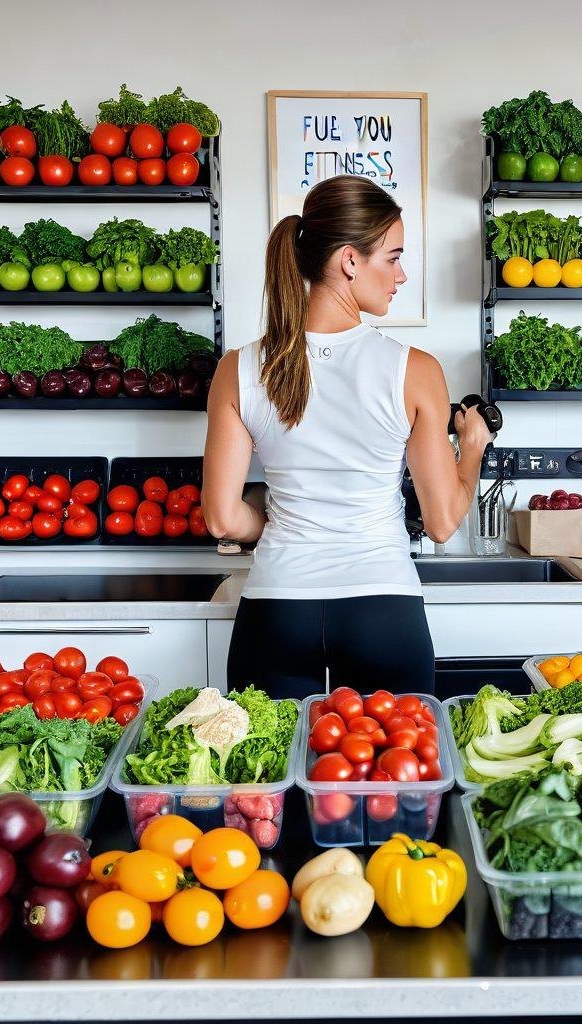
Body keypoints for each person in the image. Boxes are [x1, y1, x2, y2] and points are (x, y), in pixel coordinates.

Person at [202, 175, 491, 698]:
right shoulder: (414, 370)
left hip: (276, 610)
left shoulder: (238, 368)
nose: (401, 276)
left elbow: (222, 518)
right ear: (350, 261)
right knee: (396, 779)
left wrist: (274, 520)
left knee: (272, 778)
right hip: (383, 610)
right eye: (393, 257)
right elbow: (443, 522)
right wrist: (469, 449)